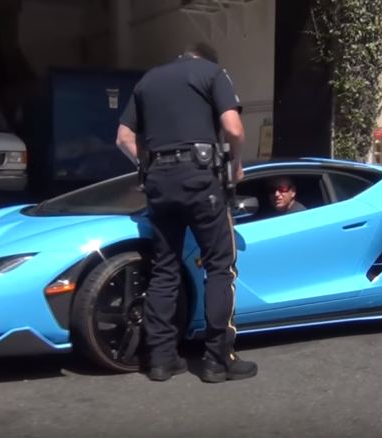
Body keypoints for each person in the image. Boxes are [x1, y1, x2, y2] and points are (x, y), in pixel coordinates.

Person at [115, 42, 257, 383]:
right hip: (200, 179)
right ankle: (216, 359)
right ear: (208, 59)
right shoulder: (212, 73)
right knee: (220, 268)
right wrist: (235, 165)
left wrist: (147, 167)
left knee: (165, 269)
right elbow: (234, 128)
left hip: (160, 183)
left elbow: (123, 137)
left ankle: (162, 359)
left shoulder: (148, 80)